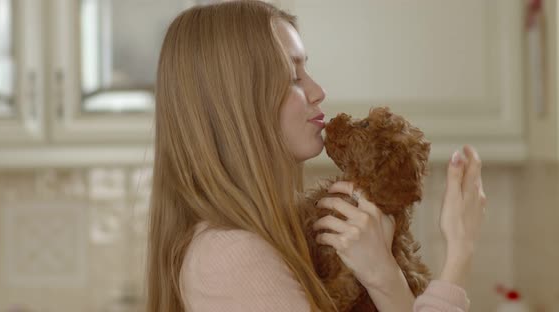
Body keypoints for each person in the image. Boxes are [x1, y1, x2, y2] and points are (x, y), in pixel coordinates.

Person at [145, 1, 487, 311]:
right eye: (293, 76)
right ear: (233, 105)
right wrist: (460, 253)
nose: (318, 91)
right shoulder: (231, 257)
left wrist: (383, 275)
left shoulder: (278, 232)